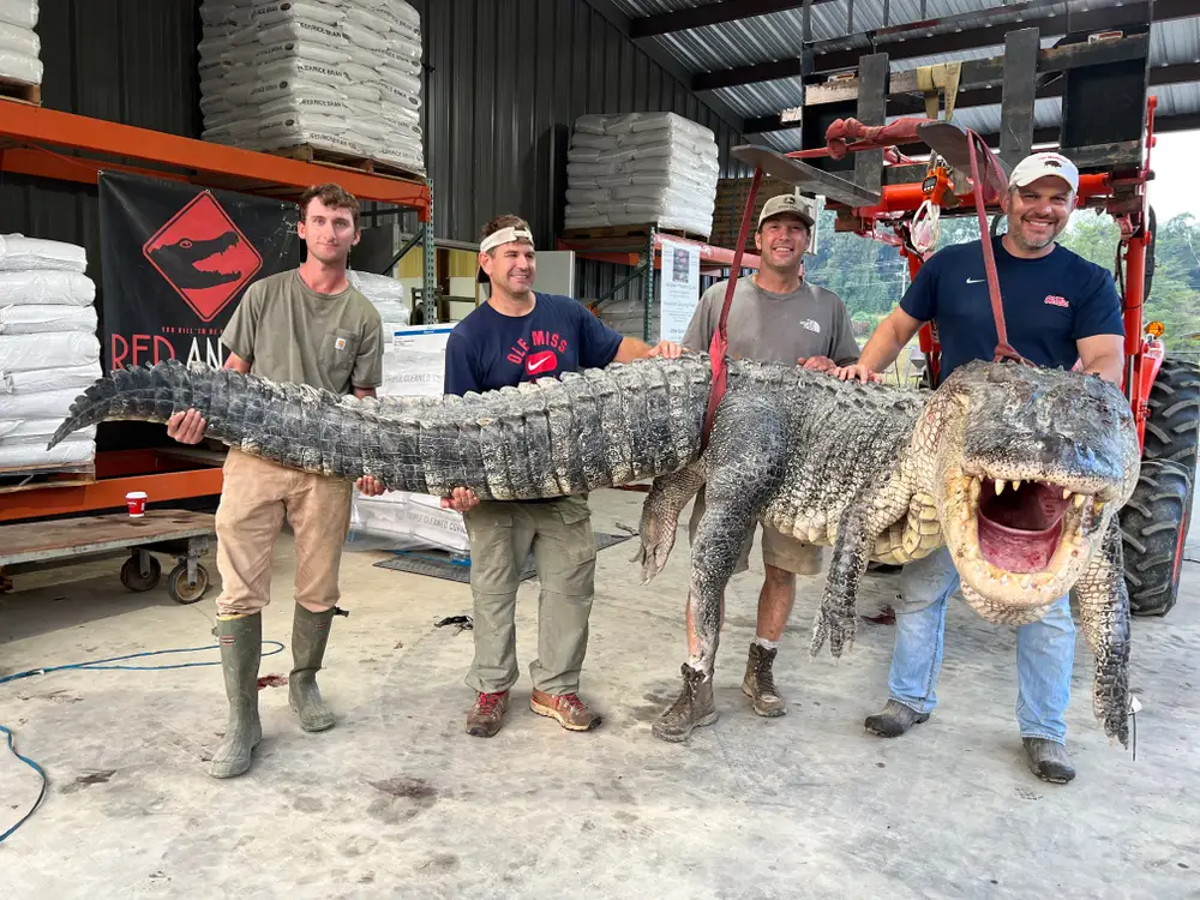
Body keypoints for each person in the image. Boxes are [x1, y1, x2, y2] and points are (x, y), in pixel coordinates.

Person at [834, 151, 1125, 783]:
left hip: (1038, 465)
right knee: (921, 585)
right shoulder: (954, 265)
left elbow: (1105, 364)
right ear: (1007, 199)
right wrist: (865, 370)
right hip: (956, 460)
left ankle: (1045, 731)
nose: (1044, 210)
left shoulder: (1087, 282)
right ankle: (909, 698)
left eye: (1059, 200)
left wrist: (1064, 394)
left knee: (1045, 605)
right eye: (1033, 196)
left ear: (1070, 208)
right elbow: (897, 326)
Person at [166, 183, 387, 779]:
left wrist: (368, 460)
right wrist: (196, 422)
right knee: (239, 589)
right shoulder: (263, 296)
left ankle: (305, 683)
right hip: (254, 462)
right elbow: (228, 381)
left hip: (325, 472)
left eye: (341, 222)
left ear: (355, 234)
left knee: (319, 587)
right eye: (320, 220)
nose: (329, 232)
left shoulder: (363, 316)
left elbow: (363, 403)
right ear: (302, 228)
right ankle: (243, 718)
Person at [442, 214, 682, 738]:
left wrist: (660, 353)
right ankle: (491, 687)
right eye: (511, 254)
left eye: (528, 254)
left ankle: (556, 687)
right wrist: (456, 487)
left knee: (571, 589)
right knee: (492, 592)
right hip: (496, 496)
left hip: (563, 489)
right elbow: (457, 425)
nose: (524, 263)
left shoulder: (567, 314)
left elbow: (620, 350)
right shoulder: (468, 338)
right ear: (487, 263)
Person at [652, 192, 862, 742]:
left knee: (783, 569)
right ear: (759, 237)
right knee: (709, 569)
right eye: (775, 227)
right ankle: (697, 679)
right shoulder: (721, 299)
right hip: (728, 463)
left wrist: (833, 368)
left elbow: (853, 376)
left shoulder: (829, 306)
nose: (785, 237)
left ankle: (761, 666)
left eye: (796, 229)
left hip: (800, 468)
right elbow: (692, 375)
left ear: (807, 241)